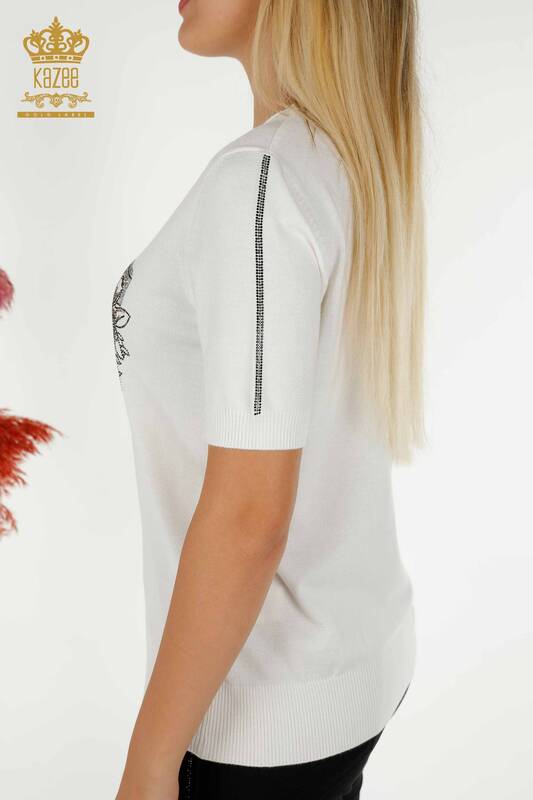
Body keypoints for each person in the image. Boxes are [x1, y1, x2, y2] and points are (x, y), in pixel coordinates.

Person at [113, 1, 426, 798]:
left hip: (259, 713)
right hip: (355, 661)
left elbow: (249, 519)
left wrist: (150, 761)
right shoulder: (345, 156)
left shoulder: (259, 184)